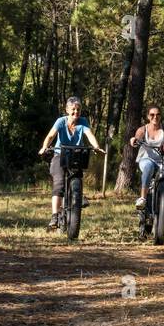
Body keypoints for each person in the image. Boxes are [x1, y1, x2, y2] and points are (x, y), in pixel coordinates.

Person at [37, 96, 105, 229]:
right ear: (67, 110)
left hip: (76, 155)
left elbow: (90, 135)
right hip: (59, 155)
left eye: (78, 110)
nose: (76, 112)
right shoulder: (61, 121)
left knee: (77, 176)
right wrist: (44, 147)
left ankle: (78, 195)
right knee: (59, 184)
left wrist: (97, 147)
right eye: (73, 109)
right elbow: (51, 136)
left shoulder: (83, 122)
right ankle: (55, 215)